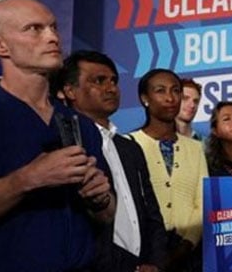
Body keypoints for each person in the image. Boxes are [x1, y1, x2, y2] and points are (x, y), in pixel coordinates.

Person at [0, 0, 115, 271]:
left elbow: (106, 215)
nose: (52, 37)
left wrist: (100, 198)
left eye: (54, 27)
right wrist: (27, 179)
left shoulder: (80, 122)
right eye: (34, 29)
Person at [58, 50, 167, 271]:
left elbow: (151, 213)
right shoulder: (64, 146)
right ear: (70, 91)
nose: (111, 88)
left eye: (113, 81)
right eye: (99, 81)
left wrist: (155, 263)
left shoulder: (129, 147)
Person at [129, 68, 208, 272]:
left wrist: (185, 246)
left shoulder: (195, 148)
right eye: (160, 90)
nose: (170, 98)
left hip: (189, 256)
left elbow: (203, 203)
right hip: (143, 255)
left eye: (175, 90)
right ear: (145, 98)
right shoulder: (128, 144)